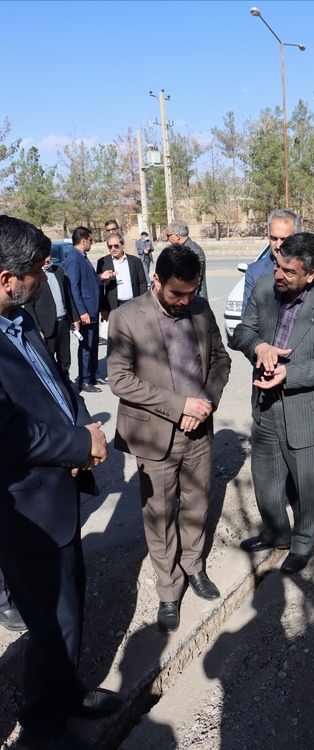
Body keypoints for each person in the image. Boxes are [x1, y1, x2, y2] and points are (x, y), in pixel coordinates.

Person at [0, 215, 121, 750]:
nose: (43, 278)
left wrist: (85, 426)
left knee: (70, 606)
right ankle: (41, 731)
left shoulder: (19, 318)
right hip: (25, 509)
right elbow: (6, 433)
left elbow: (57, 382)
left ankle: (66, 691)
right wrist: (76, 445)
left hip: (58, 494)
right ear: (7, 278)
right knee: (49, 622)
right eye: (36, 271)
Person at [107, 245, 231, 634]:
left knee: (196, 504)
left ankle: (193, 566)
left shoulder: (201, 308)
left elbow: (221, 361)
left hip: (199, 431)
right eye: (178, 293)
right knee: (159, 516)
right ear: (156, 280)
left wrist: (205, 403)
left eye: (192, 292)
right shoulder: (126, 317)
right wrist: (180, 406)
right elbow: (120, 380)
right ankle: (168, 590)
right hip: (155, 434)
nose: (185, 301)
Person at [233, 232, 314, 575]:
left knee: (307, 485)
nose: (278, 275)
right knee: (266, 480)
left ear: (311, 274)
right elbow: (242, 331)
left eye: (289, 271)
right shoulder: (263, 287)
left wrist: (289, 373)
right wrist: (258, 346)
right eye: (277, 266)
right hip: (266, 405)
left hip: (305, 411)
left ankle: (303, 542)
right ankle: (276, 532)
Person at [242, 208, 314, 316]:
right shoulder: (254, 271)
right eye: (273, 238)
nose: (278, 245)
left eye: (284, 239)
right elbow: (248, 317)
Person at [65, 226, 116, 393]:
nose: (92, 243)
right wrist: (82, 312)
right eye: (90, 240)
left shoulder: (82, 256)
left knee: (93, 345)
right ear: (83, 240)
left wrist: (101, 277)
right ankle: (84, 380)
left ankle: (93, 375)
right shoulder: (73, 258)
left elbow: (88, 279)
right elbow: (74, 288)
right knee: (86, 347)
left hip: (92, 308)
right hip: (86, 310)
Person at [24, 254, 80, 376]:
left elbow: (68, 296)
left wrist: (75, 319)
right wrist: (37, 328)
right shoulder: (34, 275)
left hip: (63, 323)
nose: (46, 259)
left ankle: (66, 382)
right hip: (46, 327)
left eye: (48, 255)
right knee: (48, 360)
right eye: (43, 257)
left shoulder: (59, 271)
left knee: (65, 358)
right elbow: (29, 306)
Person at [97, 232, 148, 318]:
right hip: (114, 307)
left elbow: (142, 284)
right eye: (110, 246)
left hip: (134, 305)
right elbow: (100, 288)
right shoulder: (103, 262)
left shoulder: (135, 261)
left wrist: (143, 304)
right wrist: (103, 309)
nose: (113, 249)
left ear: (122, 245)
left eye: (116, 246)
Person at [166, 219, 208, 298]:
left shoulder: (194, 251)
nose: (167, 239)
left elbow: (194, 283)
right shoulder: (180, 249)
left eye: (168, 235)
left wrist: (185, 300)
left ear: (177, 236)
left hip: (194, 300)